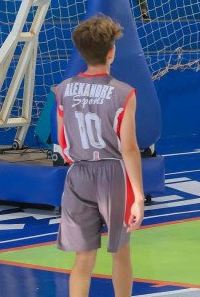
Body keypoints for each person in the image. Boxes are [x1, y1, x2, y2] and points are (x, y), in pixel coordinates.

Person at [54, 16, 145, 297]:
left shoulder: (63, 89)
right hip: (113, 175)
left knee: (83, 257)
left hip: (78, 174)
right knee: (121, 252)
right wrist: (139, 196)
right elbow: (129, 148)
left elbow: (62, 141)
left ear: (82, 52)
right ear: (111, 52)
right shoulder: (123, 93)